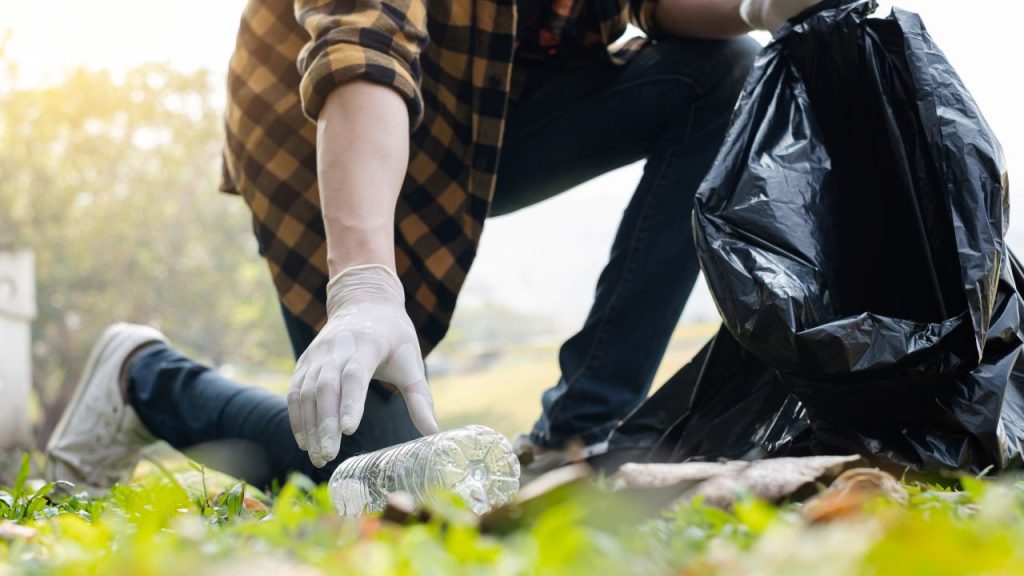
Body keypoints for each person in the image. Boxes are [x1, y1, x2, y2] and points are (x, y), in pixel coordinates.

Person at [46, 0, 820, 492]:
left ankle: (574, 437)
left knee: (721, 75)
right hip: (326, 127)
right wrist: (362, 287)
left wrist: (758, 5)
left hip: (479, 119)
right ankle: (142, 377)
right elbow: (363, 38)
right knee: (388, 475)